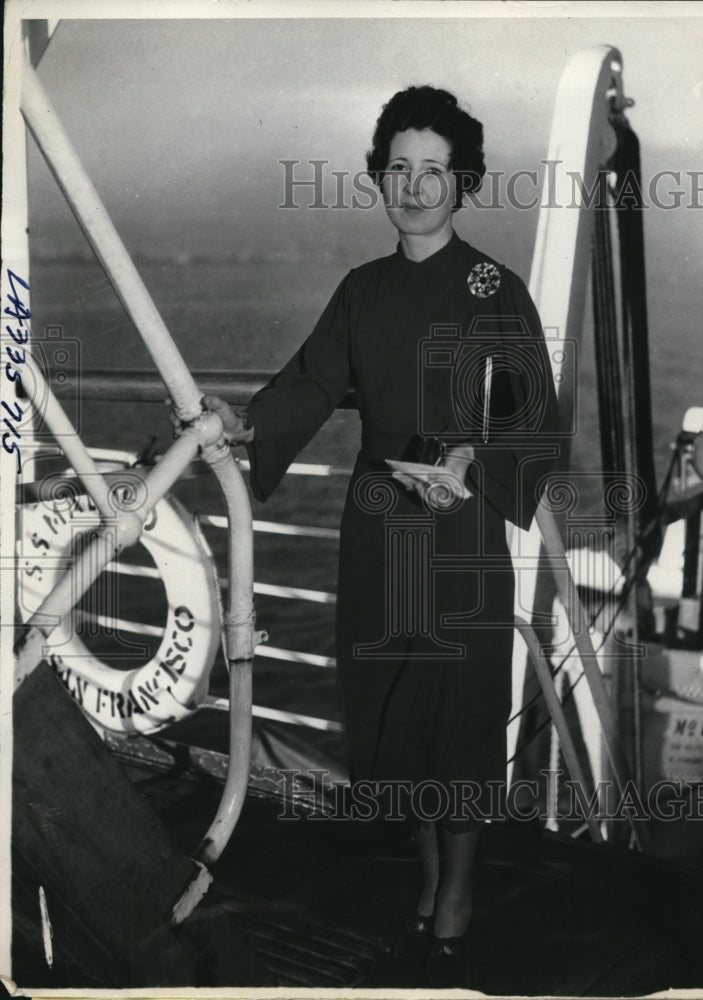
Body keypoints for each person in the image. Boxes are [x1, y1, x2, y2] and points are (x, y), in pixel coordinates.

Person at [199, 86, 559, 987]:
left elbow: (535, 419)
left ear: (462, 182)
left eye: (433, 169)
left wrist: (472, 458)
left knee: (458, 721)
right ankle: (429, 886)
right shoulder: (361, 289)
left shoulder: (492, 287)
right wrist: (241, 427)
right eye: (399, 167)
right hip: (378, 528)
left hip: (462, 530)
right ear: (378, 177)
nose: (414, 185)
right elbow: (311, 384)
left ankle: (457, 901)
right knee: (398, 718)